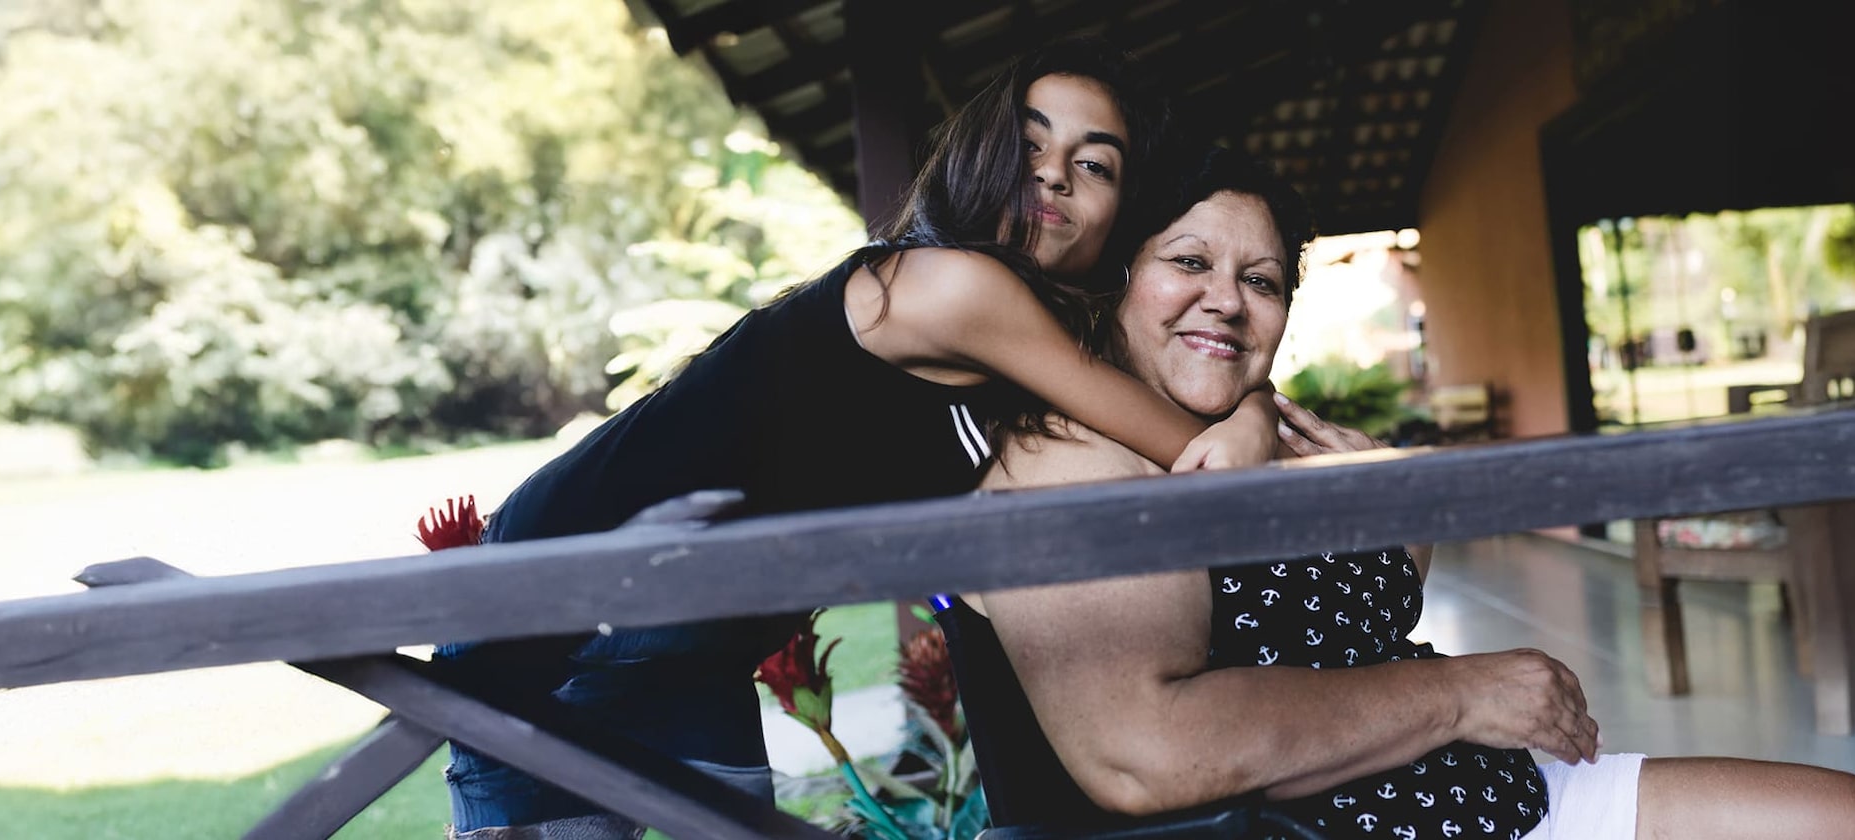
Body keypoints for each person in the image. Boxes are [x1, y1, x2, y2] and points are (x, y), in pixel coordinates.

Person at [430, 40, 1304, 839]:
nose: (1054, 177)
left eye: (1096, 165)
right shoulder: (953, 287)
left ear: (1119, 214)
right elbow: (1182, 440)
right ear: (976, 153)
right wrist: (1254, 415)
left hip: (696, 642)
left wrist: (1249, 413)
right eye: (1028, 143)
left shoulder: (1029, 349)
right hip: (558, 596)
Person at [958, 147, 1855, 840]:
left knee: (1847, 822)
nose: (1228, 301)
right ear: (1120, 283)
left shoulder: (1263, 427)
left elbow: (1370, 591)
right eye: (1190, 263)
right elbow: (1142, 754)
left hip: (1496, 795)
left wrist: (1374, 501)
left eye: (1262, 280)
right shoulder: (1070, 460)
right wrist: (1460, 692)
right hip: (1369, 825)